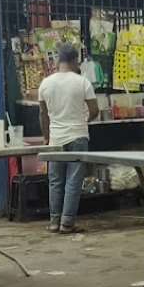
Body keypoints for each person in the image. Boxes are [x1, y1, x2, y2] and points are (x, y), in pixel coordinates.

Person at [37, 43, 99, 232]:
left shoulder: (45, 83)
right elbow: (95, 110)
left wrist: (47, 136)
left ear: (58, 60)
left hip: (55, 139)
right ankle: (67, 222)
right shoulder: (82, 82)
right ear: (74, 60)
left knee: (55, 180)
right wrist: (85, 120)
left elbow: (42, 114)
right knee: (73, 180)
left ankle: (54, 222)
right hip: (78, 136)